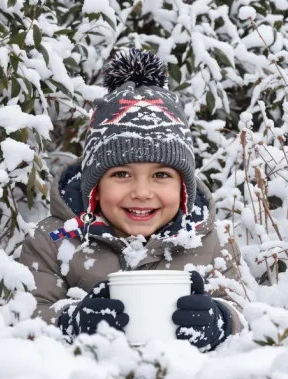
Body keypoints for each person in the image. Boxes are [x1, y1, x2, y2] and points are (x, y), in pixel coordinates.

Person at [19, 49, 247, 351]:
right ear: (95, 186)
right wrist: (69, 321)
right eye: (122, 174)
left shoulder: (211, 242)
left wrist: (220, 320)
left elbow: (244, 313)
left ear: (183, 188)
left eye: (161, 175)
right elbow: (22, 315)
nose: (141, 192)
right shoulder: (54, 240)